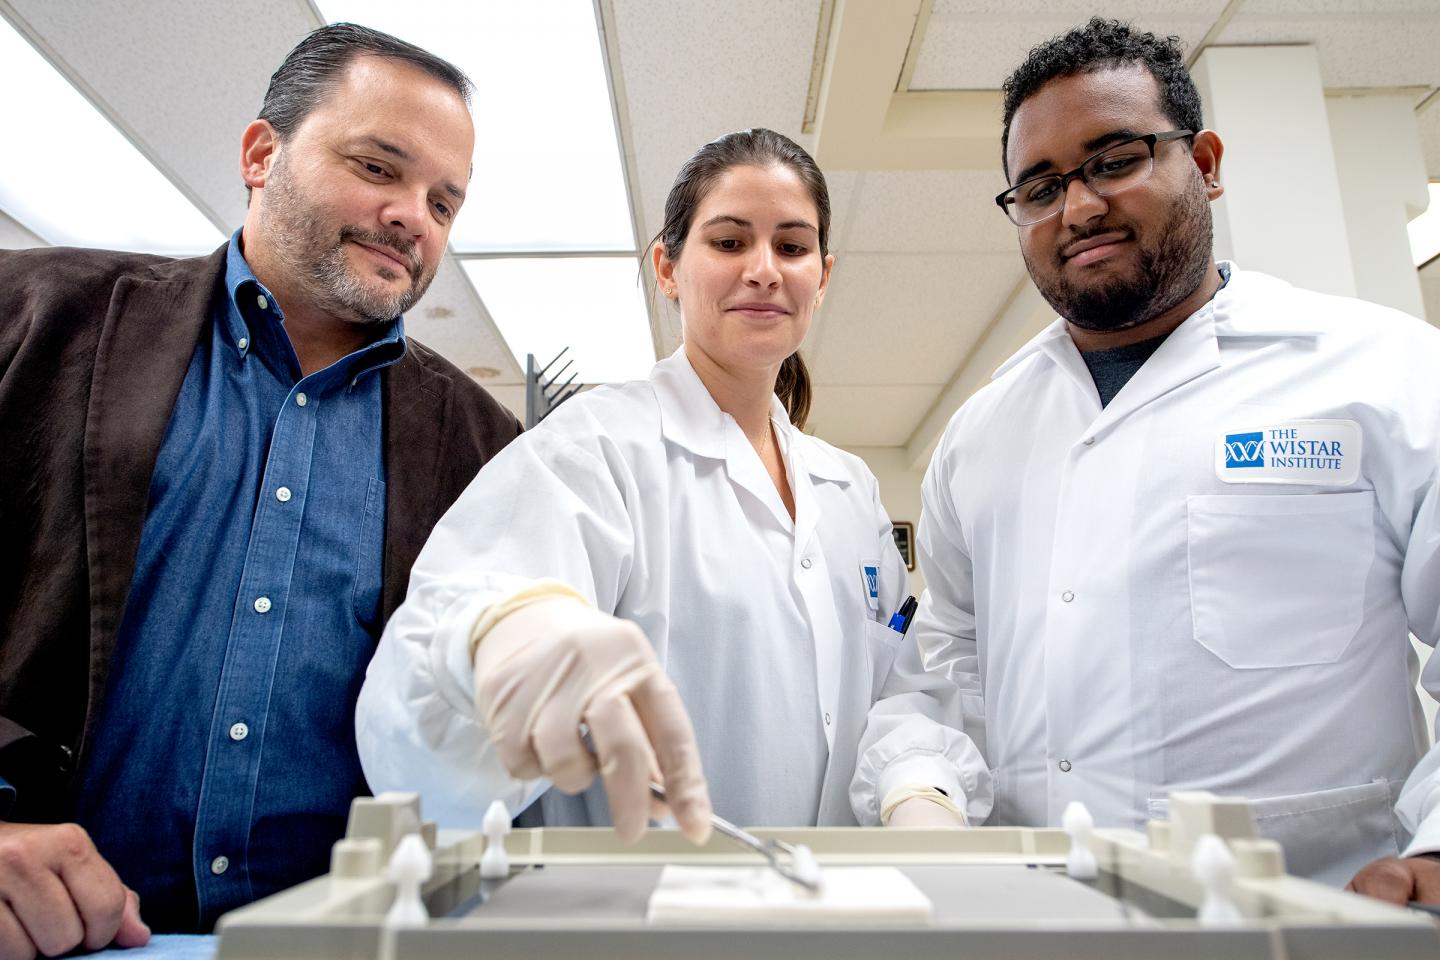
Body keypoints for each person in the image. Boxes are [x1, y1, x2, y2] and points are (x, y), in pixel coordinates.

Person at [0, 22, 522, 949]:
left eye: (445, 203)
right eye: (377, 168)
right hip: (54, 935)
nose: (413, 216)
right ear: (259, 153)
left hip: (344, 938)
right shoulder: (37, 319)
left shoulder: (482, 447)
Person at [913, 16, 1440, 901]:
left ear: (1204, 165)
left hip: (1316, 918)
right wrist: (920, 796)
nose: (1078, 206)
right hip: (1037, 921)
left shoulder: (1387, 371)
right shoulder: (979, 436)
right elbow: (945, 668)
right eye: (1038, 187)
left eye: (1115, 159)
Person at [356, 128, 986, 842]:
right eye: (728, 242)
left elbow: (896, 689)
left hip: (830, 909)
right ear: (666, 266)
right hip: (635, 915)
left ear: (824, 274)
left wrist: (919, 788)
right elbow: (428, 675)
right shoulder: (591, 450)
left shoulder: (848, 489)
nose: (764, 270)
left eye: (791, 246)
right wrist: (493, 642)